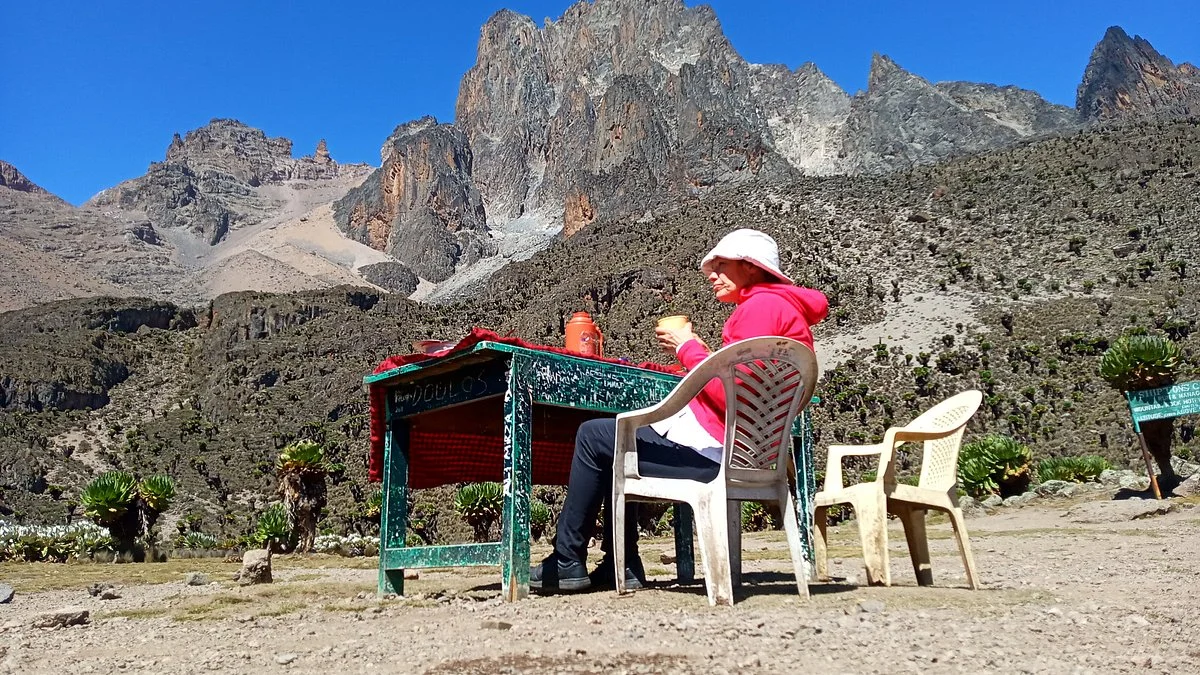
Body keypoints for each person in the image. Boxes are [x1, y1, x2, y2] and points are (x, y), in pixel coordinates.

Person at [531, 228, 829, 592]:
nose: (712, 275)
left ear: (751, 267)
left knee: (595, 436)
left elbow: (729, 396)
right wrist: (707, 356)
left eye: (722, 265)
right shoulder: (786, 312)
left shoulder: (759, 308)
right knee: (616, 440)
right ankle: (620, 566)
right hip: (751, 456)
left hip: (717, 457)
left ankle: (567, 562)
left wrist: (688, 348)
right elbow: (747, 389)